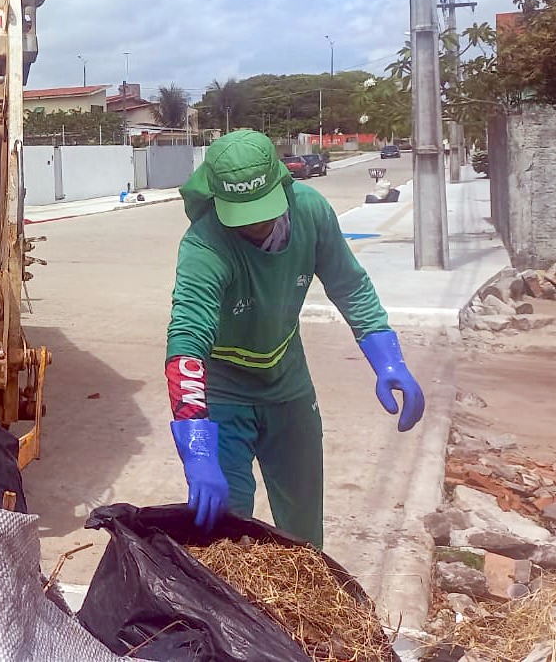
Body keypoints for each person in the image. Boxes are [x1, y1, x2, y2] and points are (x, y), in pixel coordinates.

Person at [165, 130, 425, 548]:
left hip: (288, 385)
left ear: (281, 184)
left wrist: (388, 360)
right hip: (224, 392)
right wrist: (197, 448)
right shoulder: (205, 245)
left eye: (261, 209)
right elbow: (187, 342)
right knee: (226, 529)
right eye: (241, 213)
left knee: (303, 525)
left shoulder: (311, 213)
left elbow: (350, 286)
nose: (254, 223)